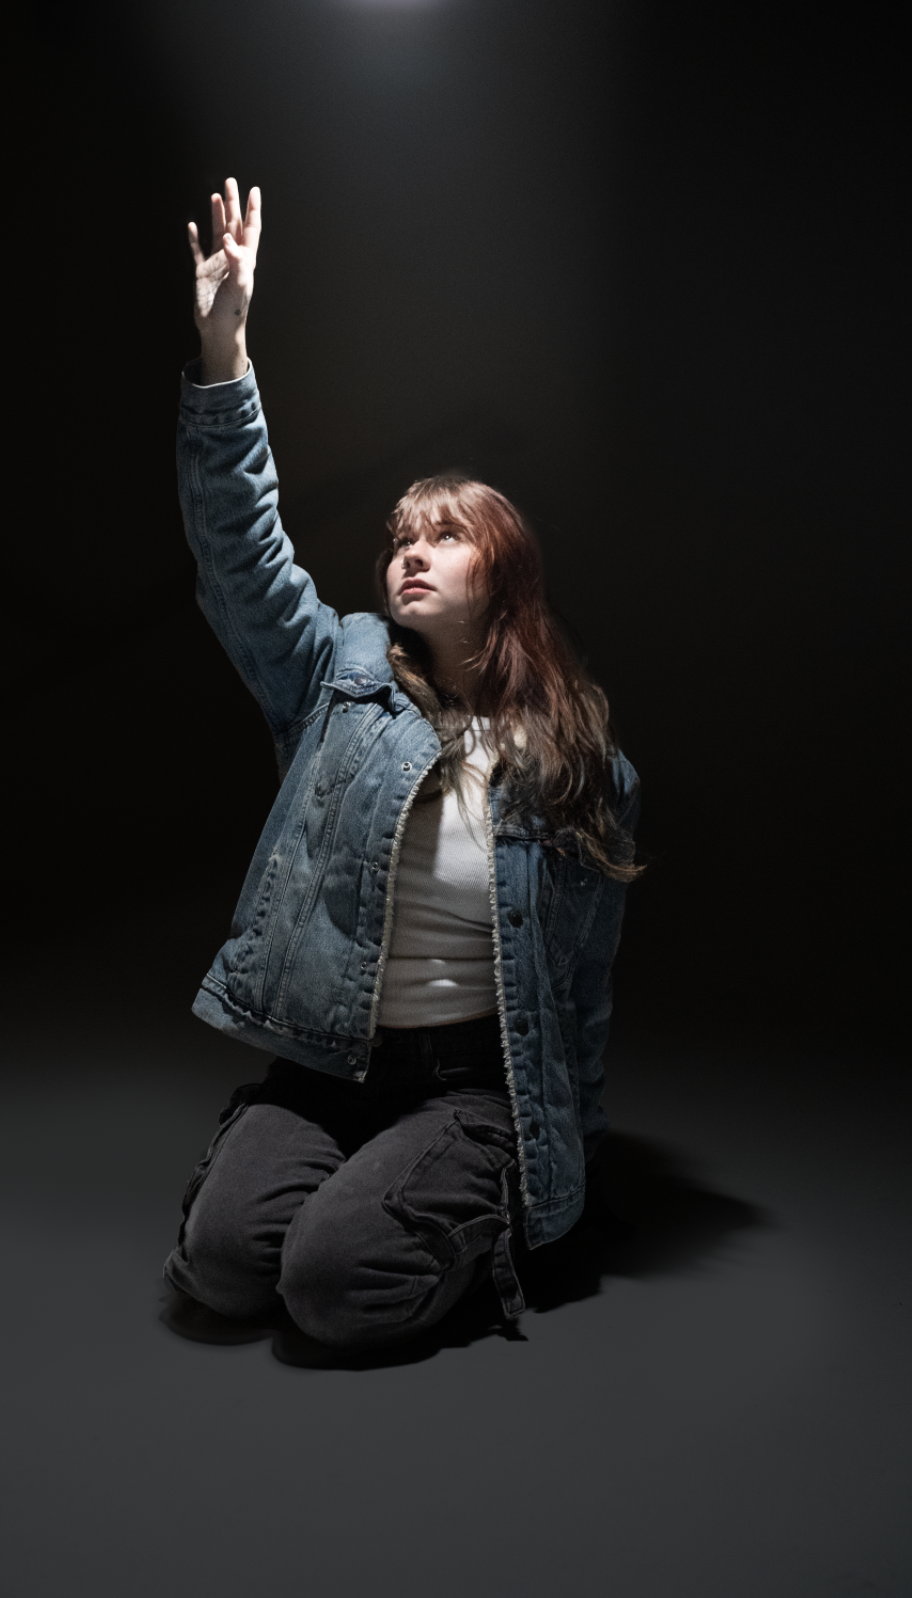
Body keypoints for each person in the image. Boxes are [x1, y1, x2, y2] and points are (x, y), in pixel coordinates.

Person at [163, 178, 641, 1351]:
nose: (408, 556)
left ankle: (459, 1204)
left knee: (332, 1287)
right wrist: (225, 350)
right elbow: (241, 554)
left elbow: (579, 991)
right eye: (398, 541)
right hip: (335, 1058)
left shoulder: (587, 770)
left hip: (475, 1084)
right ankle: (314, 1162)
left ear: (508, 575)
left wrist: (559, 1179)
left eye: (443, 536)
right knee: (223, 1270)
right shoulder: (337, 677)